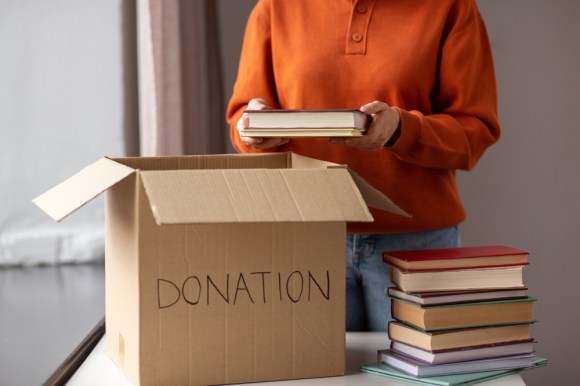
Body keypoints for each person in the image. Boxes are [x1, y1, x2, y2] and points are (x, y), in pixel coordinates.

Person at [226, 0, 500, 332]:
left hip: (417, 244)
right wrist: (252, 131)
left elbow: (475, 131)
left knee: (421, 383)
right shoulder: (274, 8)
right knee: (315, 381)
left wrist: (401, 129)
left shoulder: (452, 8)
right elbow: (243, 119)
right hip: (306, 238)